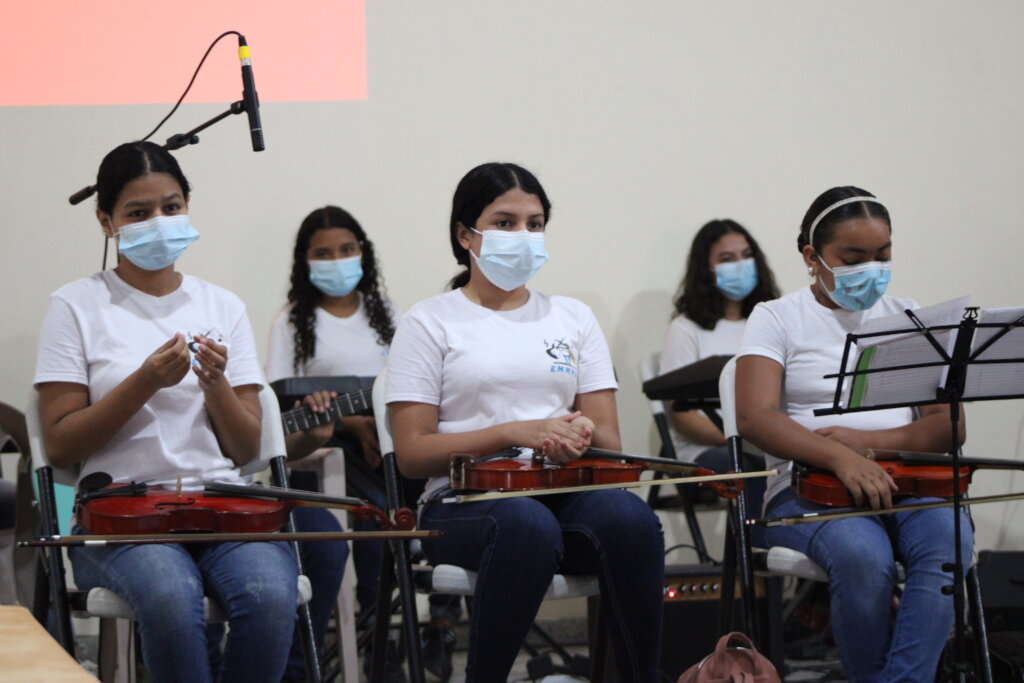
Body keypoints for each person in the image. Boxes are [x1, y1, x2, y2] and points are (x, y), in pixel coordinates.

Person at [385, 162, 665, 682]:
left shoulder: (572, 317)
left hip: (563, 490)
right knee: (526, 526)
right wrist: (515, 432)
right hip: (463, 503)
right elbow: (412, 452)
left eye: (535, 224)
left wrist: (576, 436)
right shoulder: (430, 321)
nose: (524, 236)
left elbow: (610, 443)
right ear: (465, 234)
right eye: (506, 222)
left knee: (631, 520)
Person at [33, 141, 298, 683]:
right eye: (138, 212)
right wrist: (146, 381)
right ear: (106, 221)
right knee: (173, 599)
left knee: (270, 594)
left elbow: (247, 450)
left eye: (171, 207)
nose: (159, 222)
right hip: (117, 516)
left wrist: (216, 382)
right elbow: (60, 446)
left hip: (222, 504)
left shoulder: (223, 305)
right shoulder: (75, 305)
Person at [735, 186, 973, 681]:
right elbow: (754, 418)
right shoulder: (776, 317)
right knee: (865, 557)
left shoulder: (911, 318)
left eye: (883, 255)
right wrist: (839, 457)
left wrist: (871, 447)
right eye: (854, 257)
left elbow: (949, 425)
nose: (872, 268)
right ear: (812, 255)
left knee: (950, 543)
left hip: (909, 481)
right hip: (811, 489)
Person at [264, 206, 457, 681]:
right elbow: (280, 405)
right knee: (376, 519)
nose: (338, 261)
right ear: (305, 261)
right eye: (324, 253)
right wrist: (353, 424)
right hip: (328, 448)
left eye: (347, 250)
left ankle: (443, 624)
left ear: (363, 254)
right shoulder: (292, 321)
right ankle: (380, 644)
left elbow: (405, 383)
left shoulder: (388, 313)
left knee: (446, 493)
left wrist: (379, 424)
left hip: (391, 435)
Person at [660, 219, 779, 520]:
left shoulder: (770, 321)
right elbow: (682, 416)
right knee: (751, 470)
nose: (740, 265)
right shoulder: (686, 328)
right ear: (706, 269)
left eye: (746, 255)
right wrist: (742, 442)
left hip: (767, 442)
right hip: (705, 450)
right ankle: (757, 554)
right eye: (727, 259)